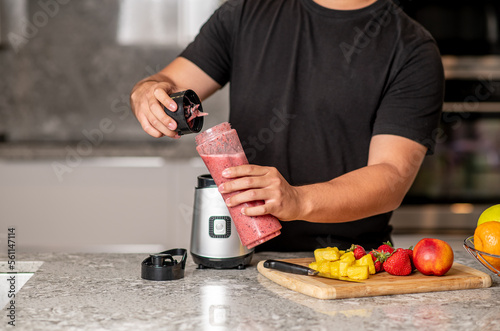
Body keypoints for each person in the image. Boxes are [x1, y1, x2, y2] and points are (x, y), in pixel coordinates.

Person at [130, 0, 444, 251]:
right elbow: (167, 84)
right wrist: (148, 91)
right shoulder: (245, 12)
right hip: (244, 258)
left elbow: (391, 176)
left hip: (352, 267)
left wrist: (298, 200)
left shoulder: (412, 49)